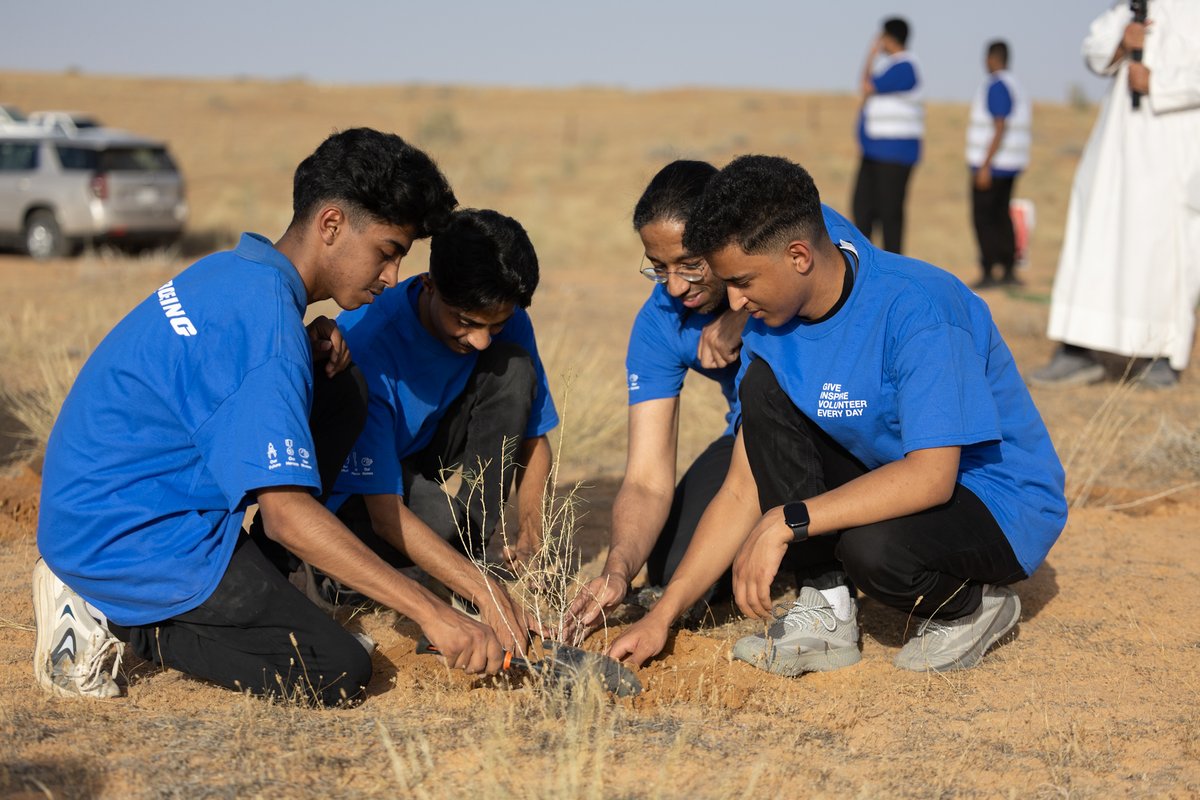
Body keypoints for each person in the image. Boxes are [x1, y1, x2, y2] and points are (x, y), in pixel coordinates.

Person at [33, 129, 522, 707]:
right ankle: (107, 610)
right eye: (388, 250)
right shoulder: (268, 330)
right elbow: (288, 516)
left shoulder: (239, 272)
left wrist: (304, 356)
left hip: (110, 497)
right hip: (126, 538)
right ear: (332, 225)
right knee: (337, 669)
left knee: (344, 388)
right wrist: (436, 614)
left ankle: (274, 588)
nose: (392, 276)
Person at [608, 155, 1067, 677]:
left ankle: (972, 607)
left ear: (799, 256)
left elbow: (933, 478)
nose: (732, 301)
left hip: (997, 500)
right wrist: (663, 615)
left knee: (871, 548)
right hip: (891, 471)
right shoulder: (765, 326)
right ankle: (826, 608)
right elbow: (742, 486)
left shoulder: (920, 309)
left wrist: (789, 521)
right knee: (762, 391)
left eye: (742, 281)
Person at [567, 161, 864, 636]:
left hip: (844, 420)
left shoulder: (802, 231)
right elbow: (646, 479)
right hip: (751, 438)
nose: (676, 286)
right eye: (658, 268)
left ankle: (824, 577)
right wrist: (618, 568)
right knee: (671, 566)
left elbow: (840, 276)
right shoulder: (659, 322)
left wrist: (741, 316)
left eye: (690, 264)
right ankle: (779, 538)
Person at [325, 208, 558, 643]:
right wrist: (483, 592)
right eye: (467, 322)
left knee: (513, 368)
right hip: (354, 494)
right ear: (428, 285)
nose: (482, 340)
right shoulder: (370, 343)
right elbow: (384, 513)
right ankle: (348, 576)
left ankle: (471, 558)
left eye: (498, 324)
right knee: (449, 529)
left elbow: (532, 440)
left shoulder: (498, 316)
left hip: (416, 456)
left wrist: (531, 536)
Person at [1029, 1, 1200, 389]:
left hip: (1173, 147)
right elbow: (1094, 47)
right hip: (1115, 145)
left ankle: (1158, 355)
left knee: (1161, 249)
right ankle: (1078, 348)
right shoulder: (1133, 5)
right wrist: (1123, 43)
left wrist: (1158, 83)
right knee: (1097, 237)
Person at [852, 16, 924, 254]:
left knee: (889, 212)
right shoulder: (892, 67)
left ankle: (892, 263)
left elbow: (866, 84)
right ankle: (864, 260)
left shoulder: (905, 66)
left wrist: (871, 53)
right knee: (863, 208)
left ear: (889, 38)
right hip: (876, 151)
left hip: (894, 154)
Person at [967, 40, 1032, 289]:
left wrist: (985, 165)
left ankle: (990, 269)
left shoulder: (996, 86)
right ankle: (1007, 269)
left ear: (994, 58)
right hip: (1009, 164)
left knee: (984, 218)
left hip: (993, 166)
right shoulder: (1016, 86)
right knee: (1002, 216)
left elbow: (1000, 124)